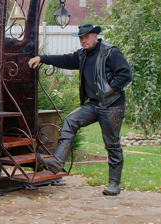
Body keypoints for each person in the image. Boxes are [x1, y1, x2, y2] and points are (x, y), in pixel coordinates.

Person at [28, 24, 132, 196]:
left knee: (112, 143)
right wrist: (42, 58)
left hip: (112, 104)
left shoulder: (111, 52)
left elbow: (125, 74)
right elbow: (64, 59)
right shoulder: (82, 55)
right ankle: (57, 162)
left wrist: (109, 89)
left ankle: (114, 183)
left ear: (95, 35)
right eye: (81, 38)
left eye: (86, 37)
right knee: (70, 120)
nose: (83, 40)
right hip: (93, 104)